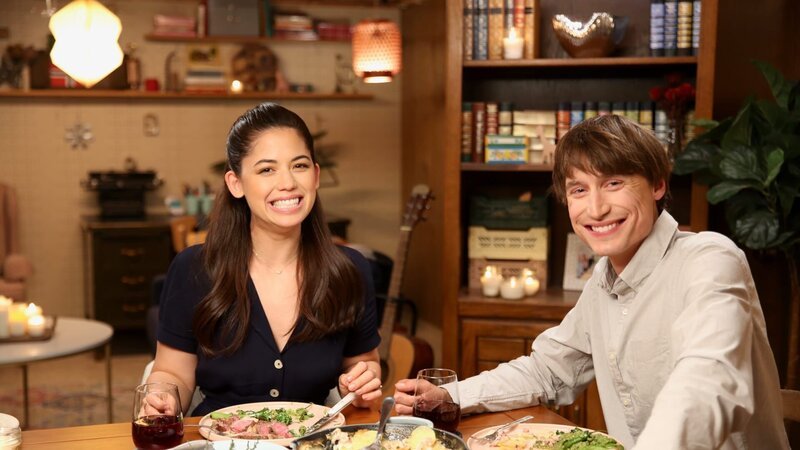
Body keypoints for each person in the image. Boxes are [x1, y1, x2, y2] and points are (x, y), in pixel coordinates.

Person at [393, 115, 789, 449]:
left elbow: (707, 380)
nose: (596, 208)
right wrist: (451, 395)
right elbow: (548, 371)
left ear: (657, 185)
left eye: (614, 183)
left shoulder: (710, 260)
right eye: (579, 190)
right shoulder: (604, 279)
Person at [146, 103, 382, 416]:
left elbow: (364, 365)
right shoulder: (194, 268)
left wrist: (363, 385)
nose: (287, 183)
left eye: (299, 166)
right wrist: (163, 395)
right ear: (236, 184)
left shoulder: (350, 269)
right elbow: (172, 373)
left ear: (316, 175)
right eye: (267, 169)